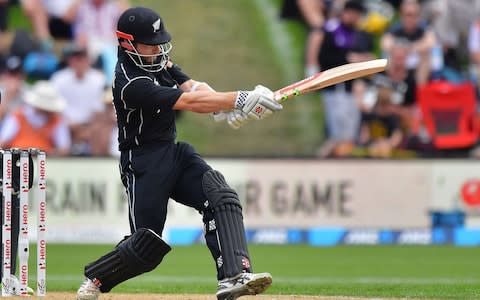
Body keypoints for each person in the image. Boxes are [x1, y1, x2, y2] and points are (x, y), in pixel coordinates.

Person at [76, 6, 282, 300]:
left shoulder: (156, 61)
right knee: (147, 245)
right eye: (150, 44)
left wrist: (222, 107)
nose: (158, 49)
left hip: (173, 152)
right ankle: (97, 278)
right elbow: (188, 101)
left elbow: (193, 86)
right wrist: (239, 99)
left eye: (159, 42)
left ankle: (233, 277)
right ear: (126, 43)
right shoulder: (130, 83)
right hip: (143, 161)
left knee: (220, 195)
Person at [315, 0, 376, 158]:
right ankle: (326, 158)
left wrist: (363, 59)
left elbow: (367, 58)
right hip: (335, 88)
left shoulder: (360, 35)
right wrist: (348, 59)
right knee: (338, 131)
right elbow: (324, 58)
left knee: (350, 132)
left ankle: (343, 158)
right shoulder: (332, 31)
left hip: (353, 90)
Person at [50, 43, 106, 156]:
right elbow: (52, 106)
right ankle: (61, 157)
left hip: (91, 124)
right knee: (59, 126)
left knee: (103, 127)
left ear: (88, 60)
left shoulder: (99, 79)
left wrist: (88, 128)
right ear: (69, 60)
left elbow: (101, 109)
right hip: (65, 122)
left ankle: (99, 160)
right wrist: (70, 123)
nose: (79, 61)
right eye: (76, 58)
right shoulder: (58, 79)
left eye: (82, 58)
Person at [0, 80, 71, 155]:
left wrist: (47, 154)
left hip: (45, 162)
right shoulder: (17, 116)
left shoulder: (57, 120)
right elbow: (2, 142)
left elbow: (64, 149)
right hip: (17, 160)